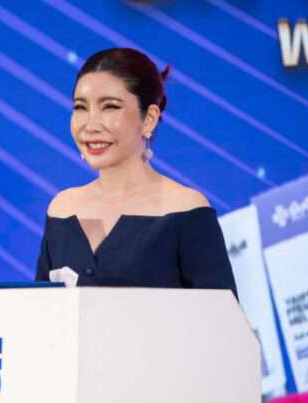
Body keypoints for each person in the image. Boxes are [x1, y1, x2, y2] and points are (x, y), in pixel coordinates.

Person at [36, 48, 237, 297]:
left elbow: (222, 317)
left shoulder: (185, 209)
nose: (90, 124)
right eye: (80, 107)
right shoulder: (62, 208)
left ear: (149, 119)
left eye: (110, 107)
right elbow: (40, 311)